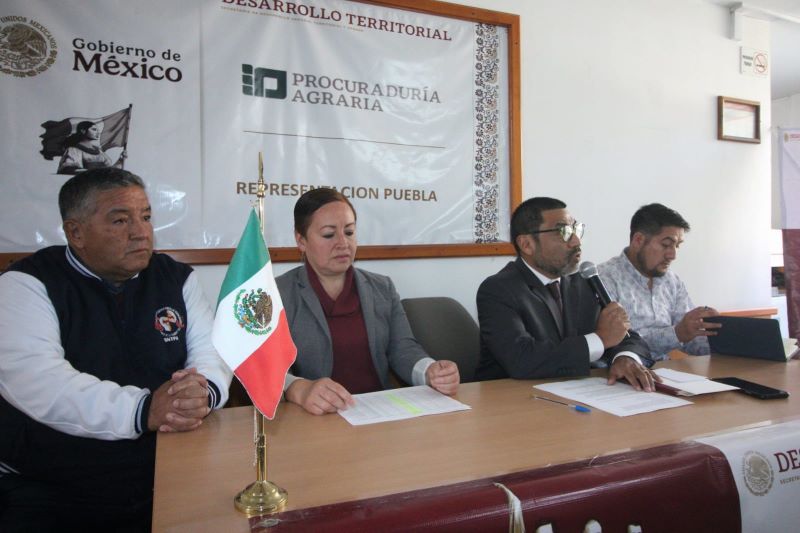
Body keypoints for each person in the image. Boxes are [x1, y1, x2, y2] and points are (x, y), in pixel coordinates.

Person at [0, 168, 232, 531]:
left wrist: (202, 393)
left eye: (146, 217)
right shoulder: (27, 283)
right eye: (120, 220)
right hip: (51, 485)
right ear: (76, 233)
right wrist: (143, 410)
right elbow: (40, 382)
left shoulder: (175, 277)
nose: (141, 232)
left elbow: (210, 352)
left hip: (162, 471)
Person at [276, 188, 460, 415]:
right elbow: (264, 367)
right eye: (329, 234)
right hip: (314, 419)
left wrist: (430, 371)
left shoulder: (382, 288)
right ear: (301, 240)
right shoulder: (278, 294)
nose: (343, 243)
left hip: (379, 413)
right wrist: (299, 389)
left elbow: (403, 349)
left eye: (349, 232)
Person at [475, 197, 656, 390]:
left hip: (579, 393)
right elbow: (522, 359)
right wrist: (600, 339)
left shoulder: (583, 282)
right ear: (527, 244)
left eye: (576, 229)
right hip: (514, 398)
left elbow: (625, 335)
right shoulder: (498, 290)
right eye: (564, 232)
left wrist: (625, 357)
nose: (576, 241)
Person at [598, 203, 721, 360]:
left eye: (677, 246)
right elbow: (618, 344)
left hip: (665, 370)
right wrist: (677, 333)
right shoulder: (604, 279)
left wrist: (720, 337)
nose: (673, 255)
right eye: (666, 245)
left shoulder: (672, 281)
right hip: (620, 370)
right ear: (638, 240)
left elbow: (691, 340)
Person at [57, 120, 127, 175]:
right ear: (83, 131)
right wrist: (97, 172)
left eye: (98, 130)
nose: (98, 132)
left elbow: (109, 171)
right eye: (94, 129)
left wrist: (120, 160)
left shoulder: (99, 151)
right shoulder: (73, 150)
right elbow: (69, 169)